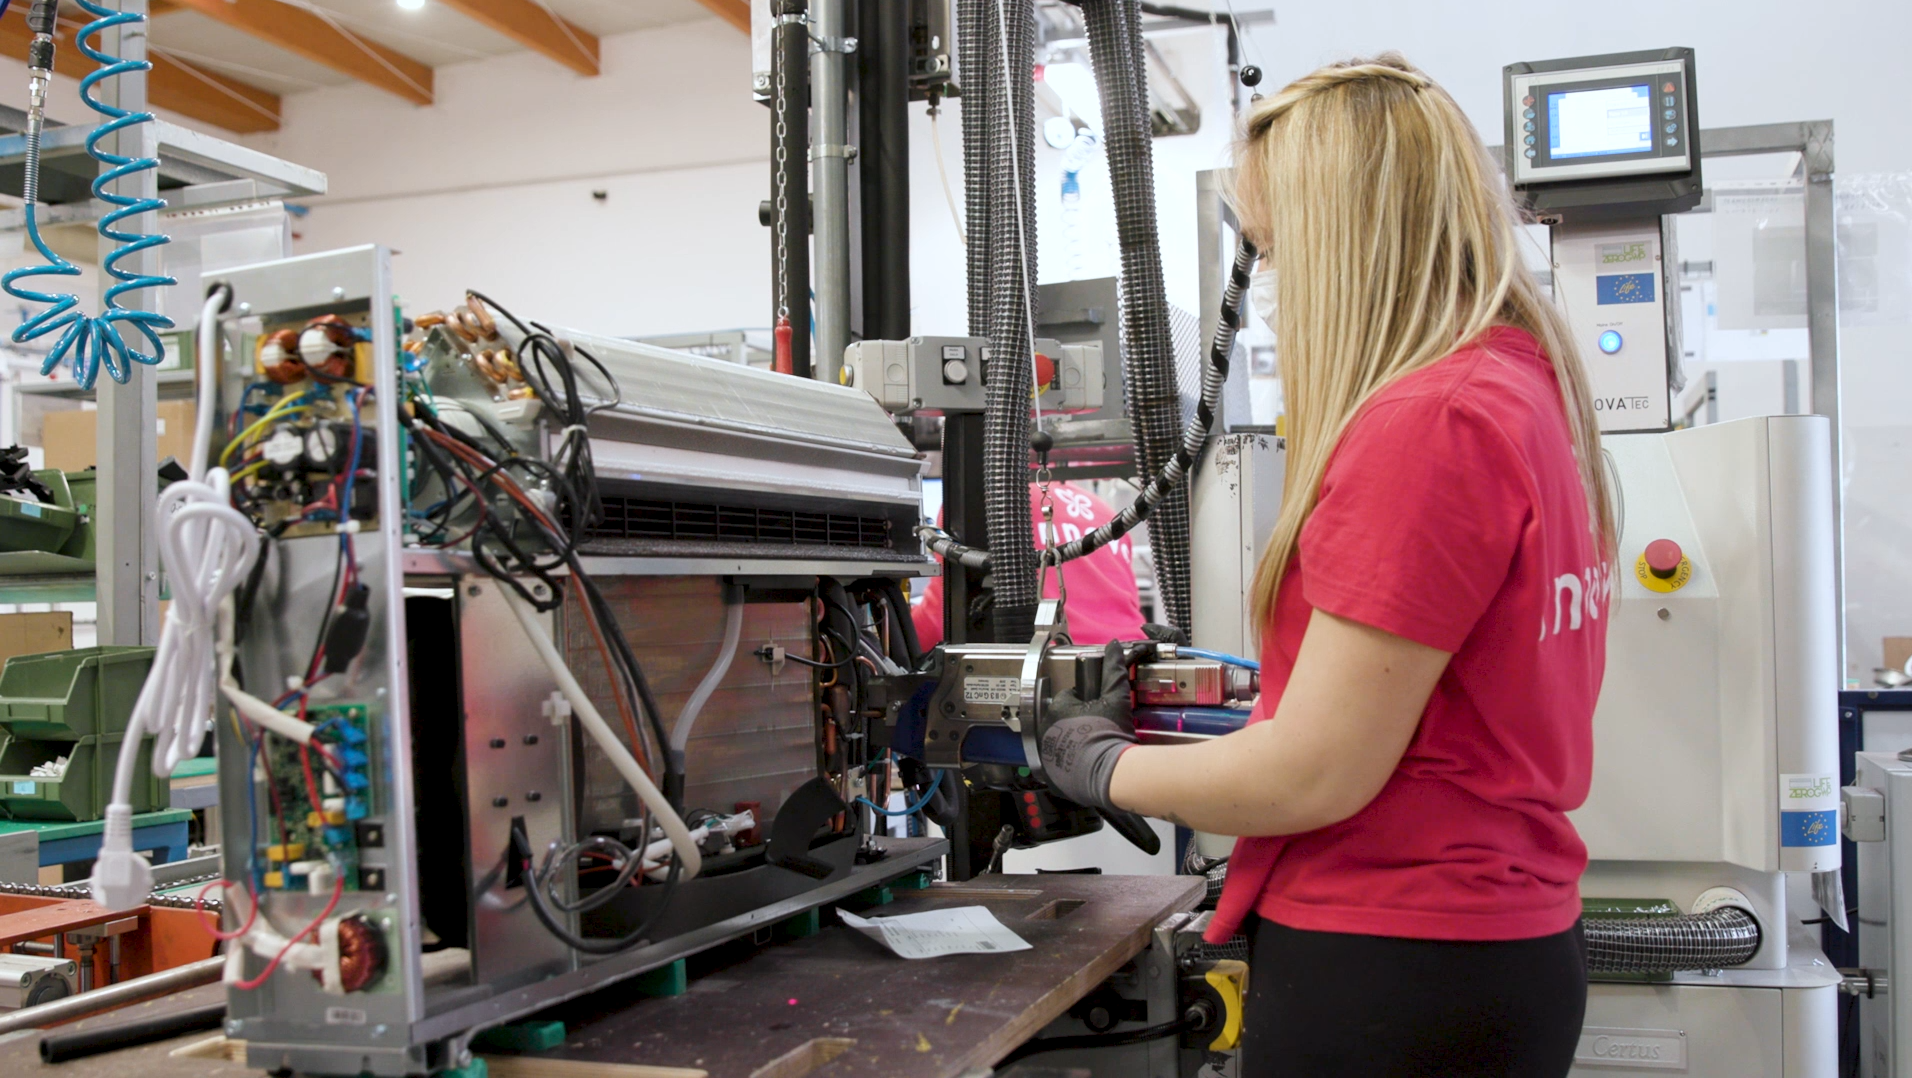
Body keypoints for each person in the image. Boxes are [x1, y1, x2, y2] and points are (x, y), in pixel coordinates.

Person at [1035, 55, 1613, 1078]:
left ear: (1342, 239)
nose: (1268, 285)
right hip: (1493, 944)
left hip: (1395, 960)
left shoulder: (1426, 424)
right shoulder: (1519, 389)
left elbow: (1312, 772)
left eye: (1272, 248)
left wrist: (1101, 764)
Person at [911, 480, 1144, 648]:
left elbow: (938, 621)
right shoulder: (1103, 510)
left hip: (1058, 671)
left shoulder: (979, 503)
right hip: (1130, 663)